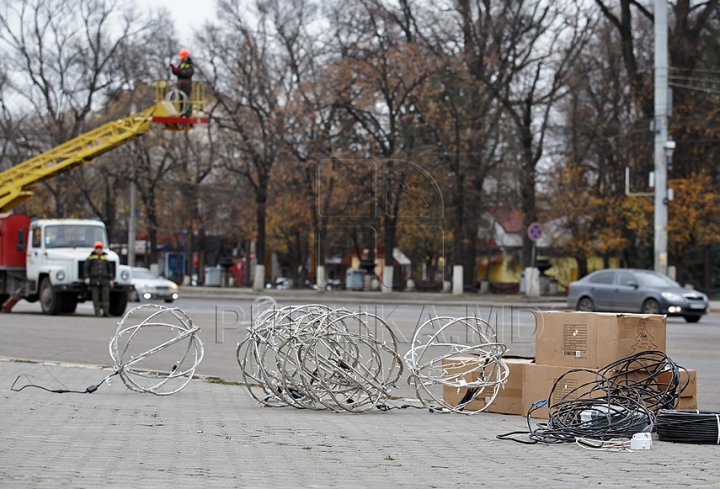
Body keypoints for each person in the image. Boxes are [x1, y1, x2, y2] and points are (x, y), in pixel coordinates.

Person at [84, 241, 113, 317]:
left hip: (104, 281)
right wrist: (86, 277)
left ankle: (106, 312)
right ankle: (97, 312)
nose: (98, 250)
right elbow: (86, 268)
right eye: (97, 249)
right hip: (94, 281)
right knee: (95, 298)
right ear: (95, 249)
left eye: (100, 249)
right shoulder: (91, 258)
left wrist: (111, 279)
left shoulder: (105, 258)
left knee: (105, 298)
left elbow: (110, 269)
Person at [170, 48, 194, 117]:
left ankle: (187, 114)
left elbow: (187, 73)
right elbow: (178, 73)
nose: (182, 59)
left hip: (186, 84)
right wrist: (174, 69)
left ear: (186, 57)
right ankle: (182, 113)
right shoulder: (181, 64)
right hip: (180, 84)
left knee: (186, 98)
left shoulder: (190, 65)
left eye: (183, 58)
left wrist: (178, 71)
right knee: (180, 99)